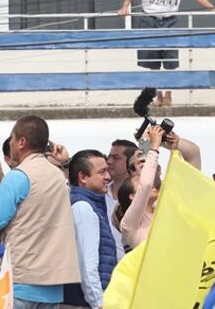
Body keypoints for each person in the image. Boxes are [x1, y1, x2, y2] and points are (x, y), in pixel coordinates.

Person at [0, 116, 80, 308]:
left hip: (18, 283)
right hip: (53, 288)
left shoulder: (17, 177)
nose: (9, 143)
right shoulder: (58, 177)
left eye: (11, 138)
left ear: (21, 142)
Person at [63, 150, 124, 309]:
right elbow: (87, 263)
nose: (108, 177)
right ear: (82, 177)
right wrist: (99, 303)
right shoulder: (83, 207)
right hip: (83, 302)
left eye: (107, 171)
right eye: (102, 172)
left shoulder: (92, 205)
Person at [119, 127, 163, 250]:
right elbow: (146, 184)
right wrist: (154, 148)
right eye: (138, 181)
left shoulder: (162, 210)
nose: (151, 186)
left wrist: (145, 143)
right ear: (132, 197)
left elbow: (151, 178)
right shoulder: (129, 223)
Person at [105, 139, 138, 216]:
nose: (109, 161)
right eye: (109, 157)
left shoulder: (141, 196)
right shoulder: (98, 193)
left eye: (116, 158)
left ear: (131, 162)